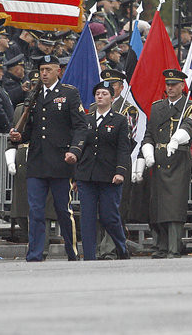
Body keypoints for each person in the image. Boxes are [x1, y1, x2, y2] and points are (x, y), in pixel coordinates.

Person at [8, 54, 86, 262]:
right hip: (37, 161)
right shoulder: (33, 96)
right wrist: (18, 136)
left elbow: (80, 126)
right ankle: (34, 253)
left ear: (58, 71)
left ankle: (72, 252)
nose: (44, 74)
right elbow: (30, 130)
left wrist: (75, 151)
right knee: (35, 210)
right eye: (42, 70)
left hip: (61, 161)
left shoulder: (69, 94)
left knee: (63, 210)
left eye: (48, 70)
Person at [141, 69, 192, 259]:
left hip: (178, 158)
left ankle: (174, 247)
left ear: (182, 86)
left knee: (174, 204)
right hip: (159, 159)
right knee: (157, 204)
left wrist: (177, 139)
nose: (170, 88)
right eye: (168, 84)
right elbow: (149, 133)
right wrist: (147, 151)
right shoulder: (157, 107)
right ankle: (160, 245)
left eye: (174, 84)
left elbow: (189, 126)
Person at [73, 81, 132, 260]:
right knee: (87, 218)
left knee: (109, 216)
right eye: (98, 93)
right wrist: (75, 176)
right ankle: (90, 256)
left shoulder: (120, 120)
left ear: (112, 98)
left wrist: (120, 171)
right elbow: (79, 146)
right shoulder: (86, 119)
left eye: (104, 94)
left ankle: (121, 248)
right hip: (87, 175)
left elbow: (123, 148)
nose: (100, 96)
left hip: (109, 176)